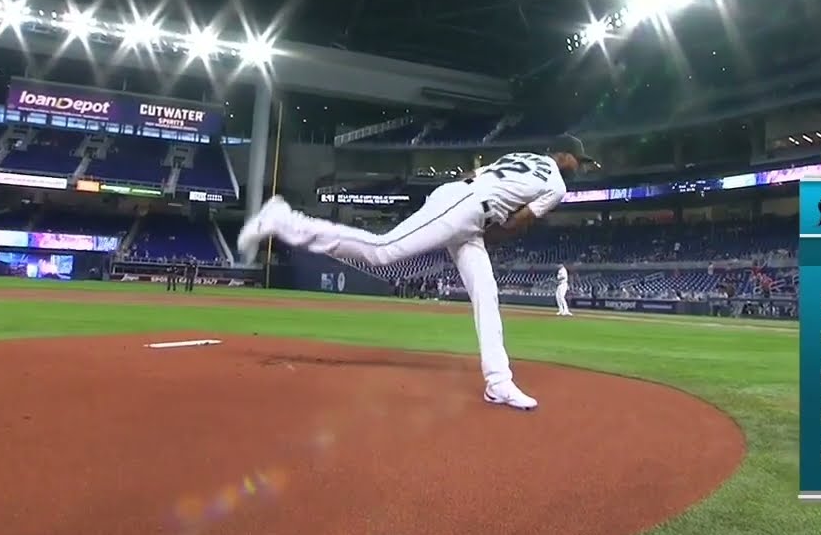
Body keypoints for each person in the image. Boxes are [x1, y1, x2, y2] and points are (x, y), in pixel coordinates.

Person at [236, 134, 597, 410]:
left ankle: (499, 382)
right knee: (382, 251)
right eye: (577, 160)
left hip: (464, 204)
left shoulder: (521, 157)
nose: (578, 167)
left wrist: (473, 221)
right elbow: (520, 222)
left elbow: (472, 174)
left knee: (486, 293)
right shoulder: (557, 184)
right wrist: (486, 228)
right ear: (563, 154)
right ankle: (285, 220)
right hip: (466, 208)